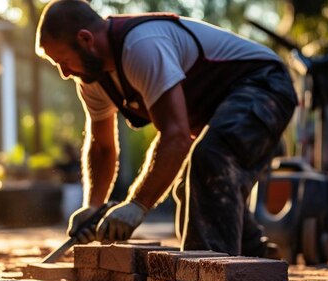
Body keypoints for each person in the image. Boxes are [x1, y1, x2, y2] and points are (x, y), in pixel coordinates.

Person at [35, 0, 297, 256]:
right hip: (225, 106)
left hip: (265, 84)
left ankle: (214, 279)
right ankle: (258, 261)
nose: (64, 73)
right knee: (188, 186)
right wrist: (93, 206)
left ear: (85, 40)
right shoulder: (92, 78)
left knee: (211, 160)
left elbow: (176, 136)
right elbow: (102, 147)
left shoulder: (141, 46)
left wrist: (137, 205)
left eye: (63, 61)